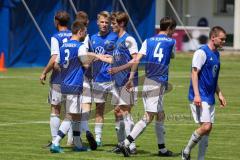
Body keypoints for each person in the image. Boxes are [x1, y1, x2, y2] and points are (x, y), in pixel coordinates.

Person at [117, 16, 176, 157]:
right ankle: (125, 143)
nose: (173, 33)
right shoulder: (171, 41)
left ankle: (162, 149)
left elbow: (136, 59)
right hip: (157, 82)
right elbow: (171, 55)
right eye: (173, 30)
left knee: (160, 115)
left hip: (149, 80)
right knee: (148, 116)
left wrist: (131, 78)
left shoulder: (148, 41)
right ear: (169, 28)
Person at [50, 20, 113, 153]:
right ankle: (55, 143)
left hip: (65, 83)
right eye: (85, 31)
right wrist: (98, 59)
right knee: (71, 116)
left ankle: (78, 144)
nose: (86, 34)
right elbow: (85, 64)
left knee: (77, 115)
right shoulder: (80, 46)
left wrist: (95, 56)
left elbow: (57, 65)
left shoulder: (63, 46)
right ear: (80, 32)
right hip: (75, 84)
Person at [181, 26, 227, 160]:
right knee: (206, 127)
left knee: (207, 130)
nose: (224, 42)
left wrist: (219, 94)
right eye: (222, 39)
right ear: (213, 37)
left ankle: (200, 158)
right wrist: (196, 95)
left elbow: (213, 78)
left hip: (210, 96)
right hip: (201, 95)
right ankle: (186, 150)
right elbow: (194, 73)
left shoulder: (217, 54)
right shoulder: (201, 52)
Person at [39, 10, 72, 147]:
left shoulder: (55, 37)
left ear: (56, 21)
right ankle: (72, 140)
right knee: (71, 111)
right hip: (73, 78)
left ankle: (54, 141)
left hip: (58, 79)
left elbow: (54, 58)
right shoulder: (74, 34)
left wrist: (44, 72)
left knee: (55, 110)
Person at [108, 11, 138, 154]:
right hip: (117, 82)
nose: (111, 26)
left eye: (114, 23)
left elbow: (135, 59)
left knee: (125, 112)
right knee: (117, 112)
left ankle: (131, 146)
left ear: (121, 23)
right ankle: (121, 144)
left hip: (127, 82)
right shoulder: (117, 40)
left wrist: (129, 77)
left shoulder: (129, 39)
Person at [90, 11, 118, 147]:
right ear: (97, 22)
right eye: (102, 22)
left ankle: (122, 140)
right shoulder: (92, 38)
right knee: (99, 110)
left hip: (114, 79)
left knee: (119, 110)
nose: (104, 24)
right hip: (98, 79)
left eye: (107, 22)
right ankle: (98, 139)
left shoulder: (115, 37)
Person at [75, 10, 97, 151]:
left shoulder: (69, 38)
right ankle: (86, 130)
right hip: (84, 77)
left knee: (72, 110)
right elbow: (85, 60)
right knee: (85, 105)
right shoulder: (85, 39)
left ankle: (72, 139)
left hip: (68, 78)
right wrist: (95, 57)